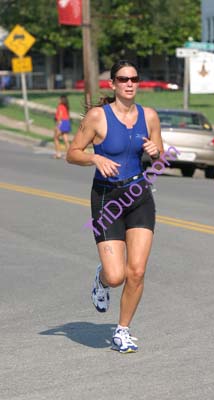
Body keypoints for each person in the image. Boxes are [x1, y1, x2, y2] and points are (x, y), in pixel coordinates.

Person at [66, 60, 163, 353]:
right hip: (107, 198)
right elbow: (72, 153)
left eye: (134, 78)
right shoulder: (98, 117)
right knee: (117, 275)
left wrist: (156, 152)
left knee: (137, 271)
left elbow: (159, 159)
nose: (129, 83)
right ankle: (102, 278)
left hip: (139, 195)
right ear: (113, 84)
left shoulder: (150, 116)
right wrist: (95, 158)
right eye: (123, 79)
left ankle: (122, 330)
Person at [53, 95, 71, 159]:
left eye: (59, 99)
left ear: (61, 100)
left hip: (62, 122)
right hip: (67, 122)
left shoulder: (60, 106)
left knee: (56, 138)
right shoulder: (66, 107)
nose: (58, 100)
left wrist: (57, 125)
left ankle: (58, 154)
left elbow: (60, 115)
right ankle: (69, 154)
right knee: (65, 139)